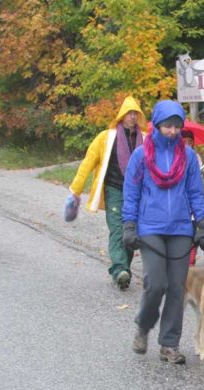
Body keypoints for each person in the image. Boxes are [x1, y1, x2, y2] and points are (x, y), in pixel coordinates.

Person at [122, 100, 204, 365]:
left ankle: (169, 344)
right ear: (156, 125)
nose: (172, 131)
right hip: (150, 227)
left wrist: (202, 225)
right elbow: (132, 192)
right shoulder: (141, 155)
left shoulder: (189, 156)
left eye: (176, 126)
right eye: (167, 126)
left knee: (176, 288)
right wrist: (129, 225)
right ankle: (143, 326)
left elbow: (195, 192)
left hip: (181, 228)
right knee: (155, 283)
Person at [65, 95, 146, 291]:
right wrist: (75, 190)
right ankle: (120, 270)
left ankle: (123, 267)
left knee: (131, 231)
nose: (132, 117)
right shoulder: (105, 138)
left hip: (138, 192)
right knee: (118, 229)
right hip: (114, 189)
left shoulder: (147, 138)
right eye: (129, 113)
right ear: (121, 116)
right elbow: (87, 164)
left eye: (135, 113)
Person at [182, 129, 203, 267]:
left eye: (190, 142)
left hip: (193, 199)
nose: (188, 145)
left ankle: (191, 257)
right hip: (178, 201)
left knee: (193, 228)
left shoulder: (196, 157)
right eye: (184, 142)